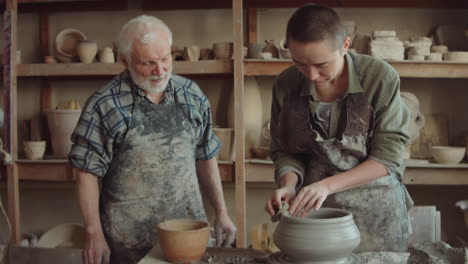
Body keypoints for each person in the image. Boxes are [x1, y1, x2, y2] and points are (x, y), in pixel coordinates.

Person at [69, 15, 236, 264]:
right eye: (148, 63)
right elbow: (85, 171)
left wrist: (222, 212)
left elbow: (205, 156)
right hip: (128, 242)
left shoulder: (191, 95)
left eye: (165, 58)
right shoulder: (105, 104)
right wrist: (93, 232)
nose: (160, 71)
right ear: (125, 61)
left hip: (188, 236)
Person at [265, 5, 413, 252]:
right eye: (299, 63)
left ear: (345, 45)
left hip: (377, 209)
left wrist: (327, 185)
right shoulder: (286, 84)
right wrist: (289, 184)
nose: (311, 75)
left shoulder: (379, 78)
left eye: (321, 64)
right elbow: (286, 150)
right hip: (316, 211)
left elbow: (388, 158)